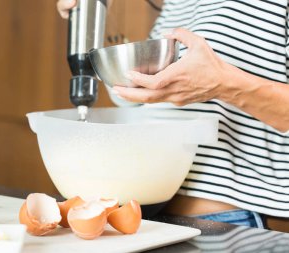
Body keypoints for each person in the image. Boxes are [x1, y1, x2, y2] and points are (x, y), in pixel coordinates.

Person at [57, 0, 289, 230]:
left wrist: (224, 84)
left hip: (231, 221)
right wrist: (96, 19)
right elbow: (153, 102)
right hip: (150, 219)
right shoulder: (177, 4)